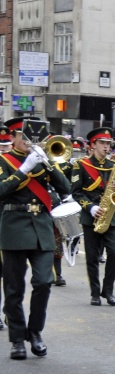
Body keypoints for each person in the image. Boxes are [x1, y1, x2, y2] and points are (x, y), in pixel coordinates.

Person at [0, 117, 73, 359]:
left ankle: (35, 331)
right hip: (14, 227)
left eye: (33, 138)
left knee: (43, 282)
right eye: (24, 136)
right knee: (14, 288)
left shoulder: (43, 160)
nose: (29, 142)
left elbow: (66, 188)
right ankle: (17, 339)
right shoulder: (3, 161)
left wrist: (49, 164)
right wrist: (23, 170)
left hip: (41, 227)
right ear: (12, 137)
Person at [72, 127, 115, 307]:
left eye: (108, 144)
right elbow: (77, 193)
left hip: (112, 215)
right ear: (92, 145)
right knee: (92, 256)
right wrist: (91, 207)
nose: (106, 147)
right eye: (102, 143)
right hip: (92, 214)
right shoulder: (81, 165)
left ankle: (108, 290)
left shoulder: (114, 165)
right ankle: (95, 292)